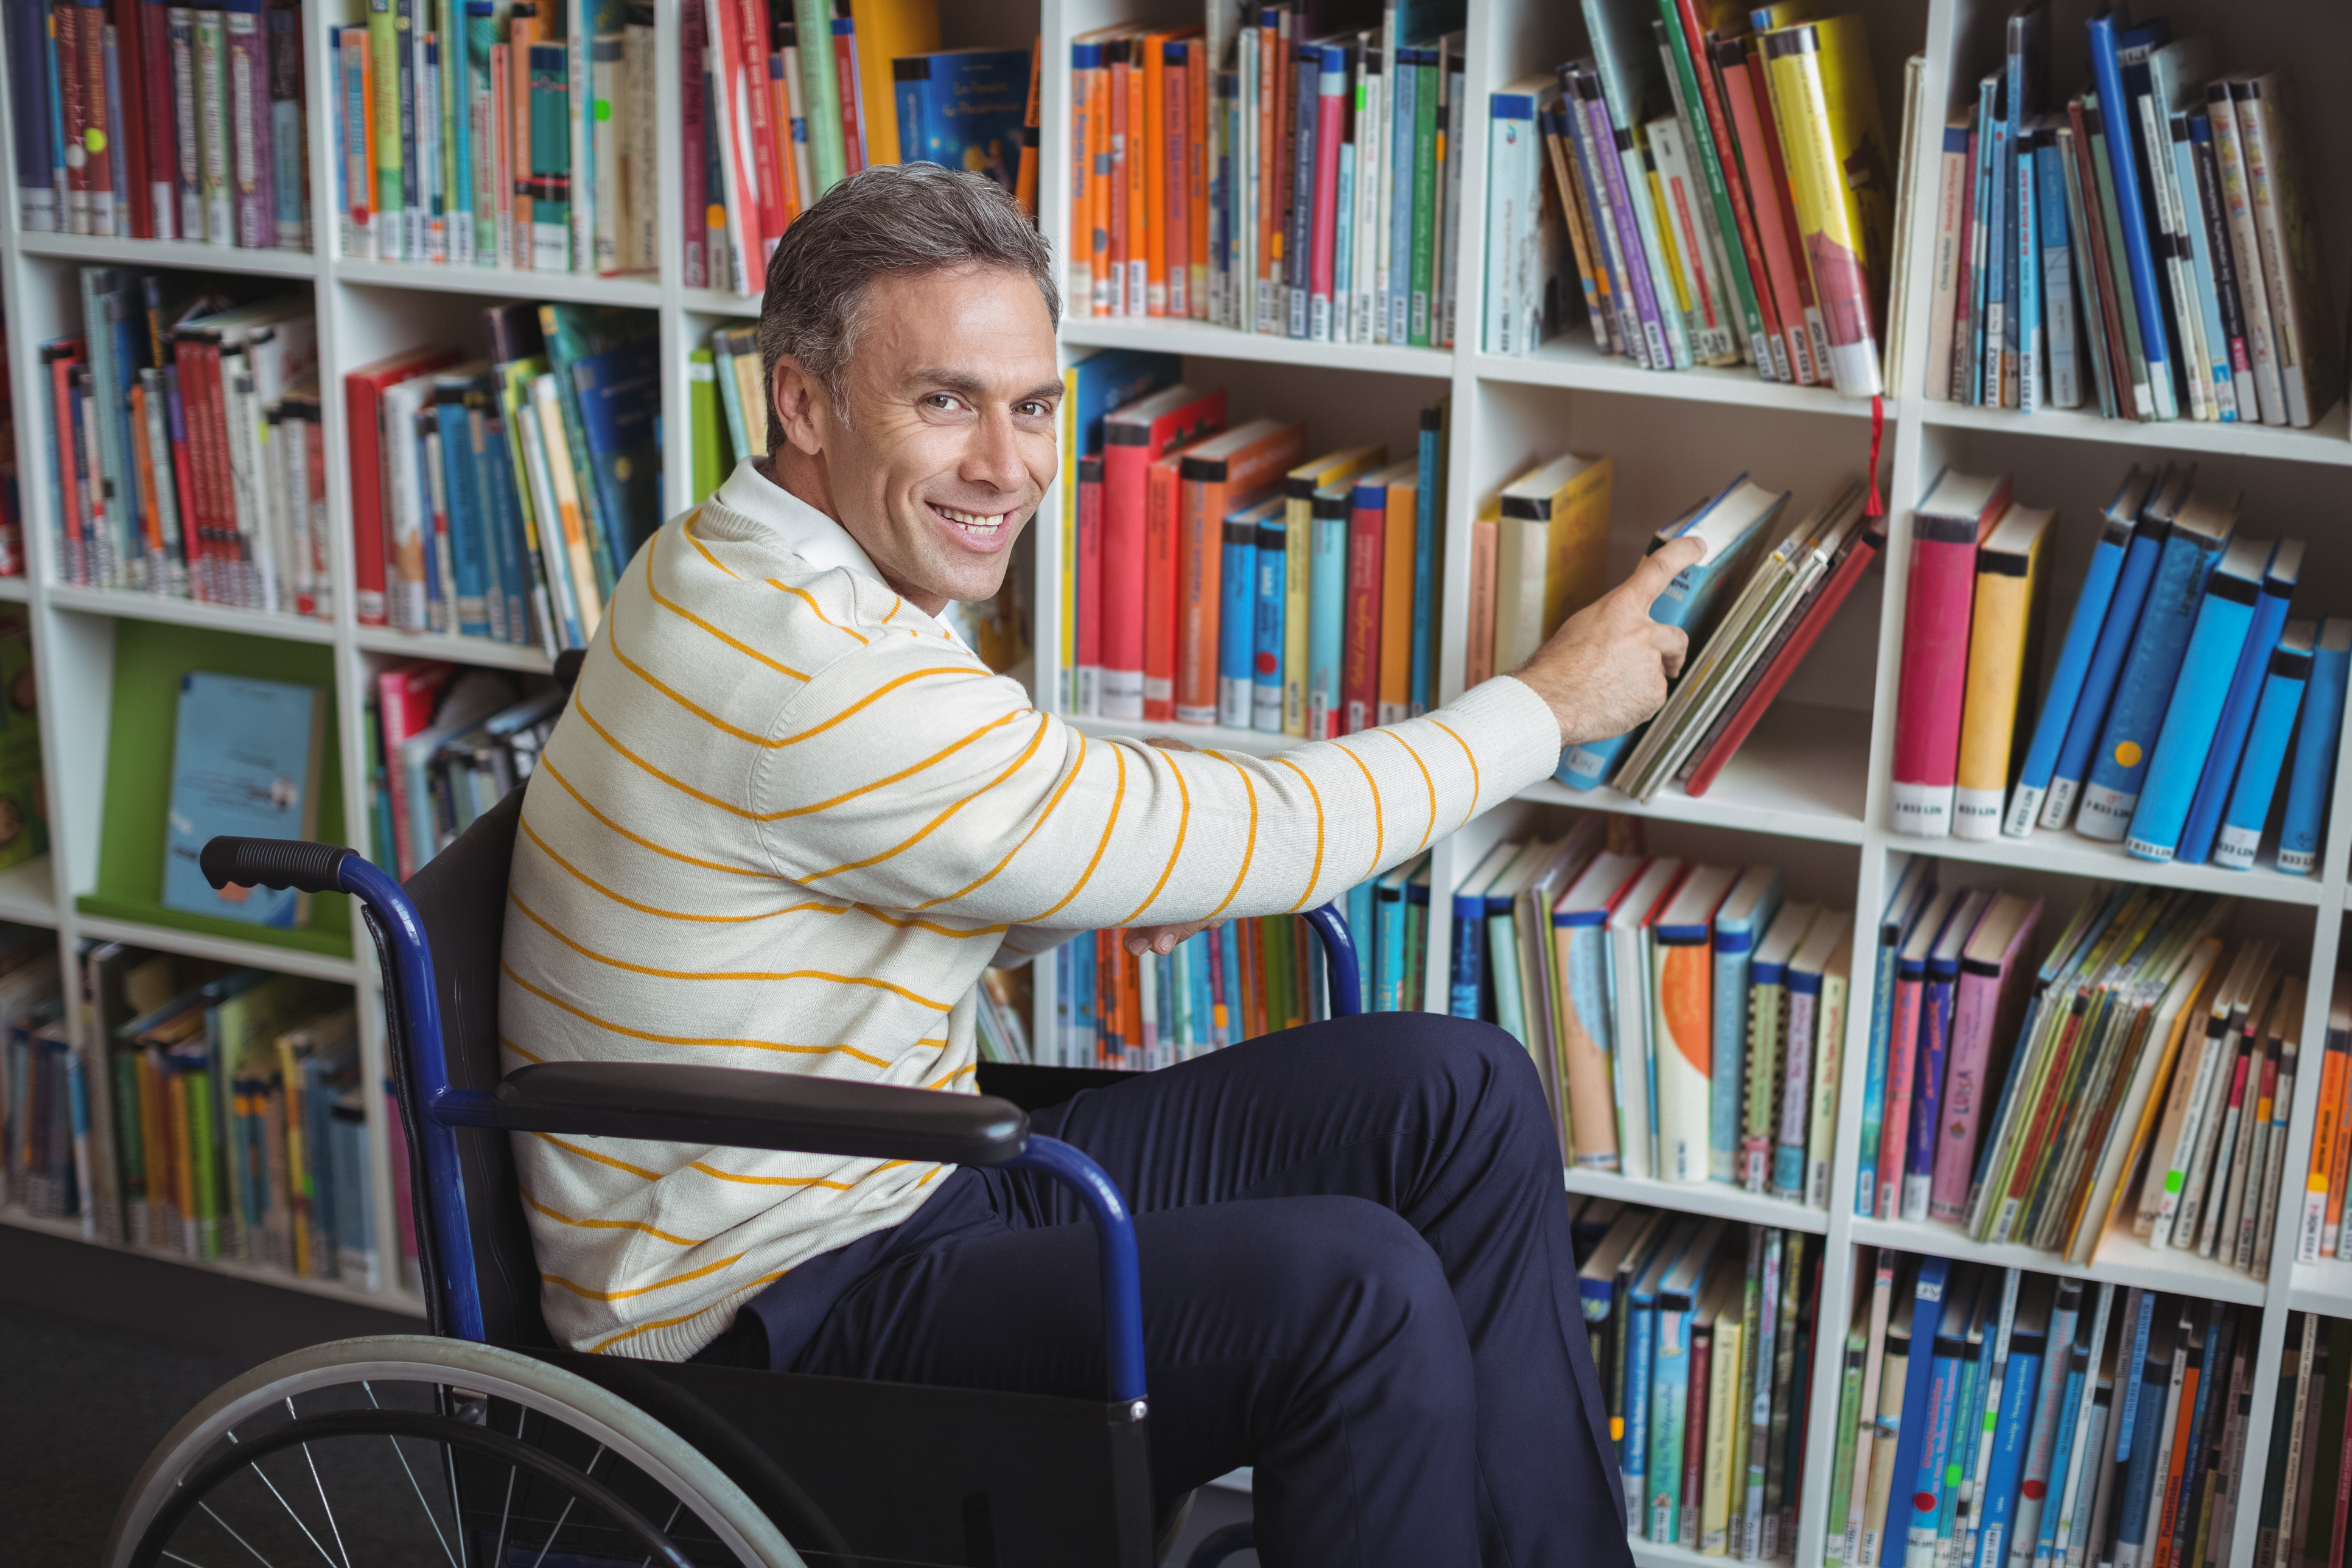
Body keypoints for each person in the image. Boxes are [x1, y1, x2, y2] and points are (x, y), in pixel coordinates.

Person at [501, 161, 1699, 1567]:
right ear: (804, 400)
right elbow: (1271, 840)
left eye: (1031, 405)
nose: (1007, 468)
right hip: (781, 1305)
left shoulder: (756, 555)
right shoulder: (807, 668)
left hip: (897, 1177)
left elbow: (963, 857)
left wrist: (1077, 858)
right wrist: (1547, 705)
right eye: (943, 400)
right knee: (1356, 1294)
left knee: (1460, 1090)